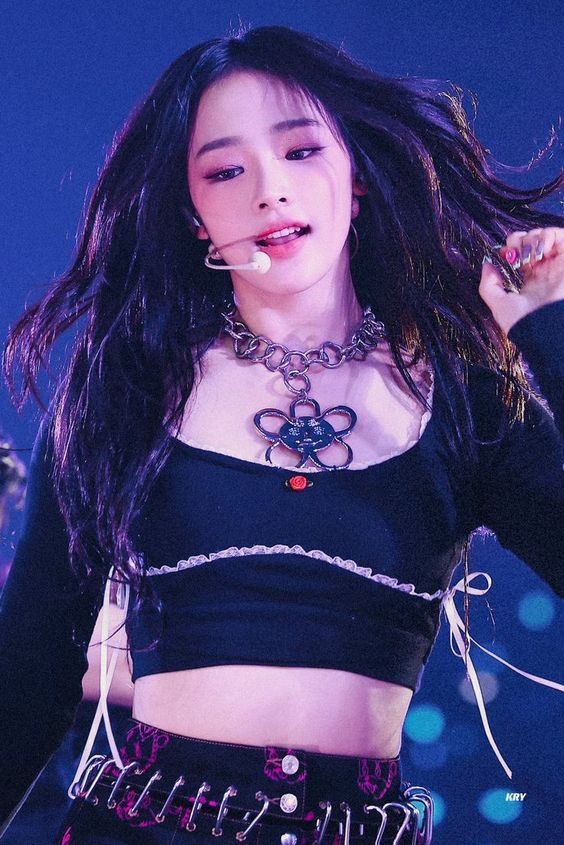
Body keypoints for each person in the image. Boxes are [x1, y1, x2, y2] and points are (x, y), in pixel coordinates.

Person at [1, 23, 563, 845]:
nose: (269, 190)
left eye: (300, 151)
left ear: (356, 178)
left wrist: (546, 329)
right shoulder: (125, 389)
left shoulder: (466, 399)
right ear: (194, 215)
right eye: (224, 171)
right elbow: (30, 672)